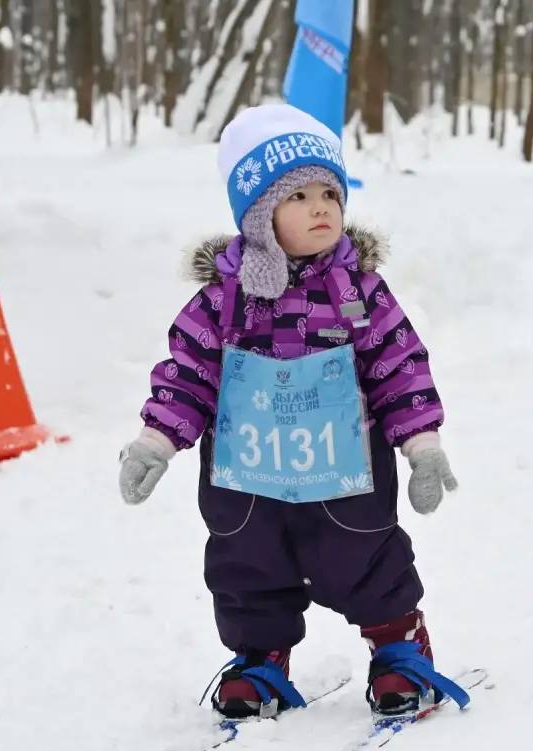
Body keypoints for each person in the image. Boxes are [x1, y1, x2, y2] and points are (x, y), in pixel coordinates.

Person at [118, 103, 465, 719]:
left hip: (344, 464)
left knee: (365, 553)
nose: (321, 206)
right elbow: (188, 375)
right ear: (258, 214)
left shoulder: (359, 291)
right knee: (246, 561)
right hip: (246, 469)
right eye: (298, 194)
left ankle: (398, 648)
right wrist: (155, 441)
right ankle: (259, 660)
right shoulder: (222, 301)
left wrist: (423, 448)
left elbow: (400, 366)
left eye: (330, 191)